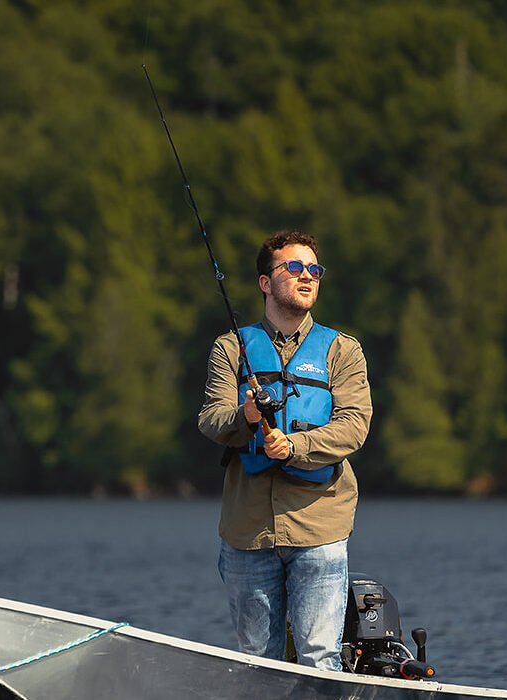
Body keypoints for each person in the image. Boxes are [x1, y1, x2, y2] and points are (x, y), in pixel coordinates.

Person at [197, 230, 372, 671]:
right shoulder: (231, 347)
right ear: (265, 282)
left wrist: (293, 445)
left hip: (319, 526)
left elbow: (354, 427)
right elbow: (210, 420)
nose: (306, 276)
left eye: (314, 269)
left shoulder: (343, 350)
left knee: (319, 657)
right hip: (248, 530)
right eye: (293, 268)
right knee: (257, 663)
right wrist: (248, 417)